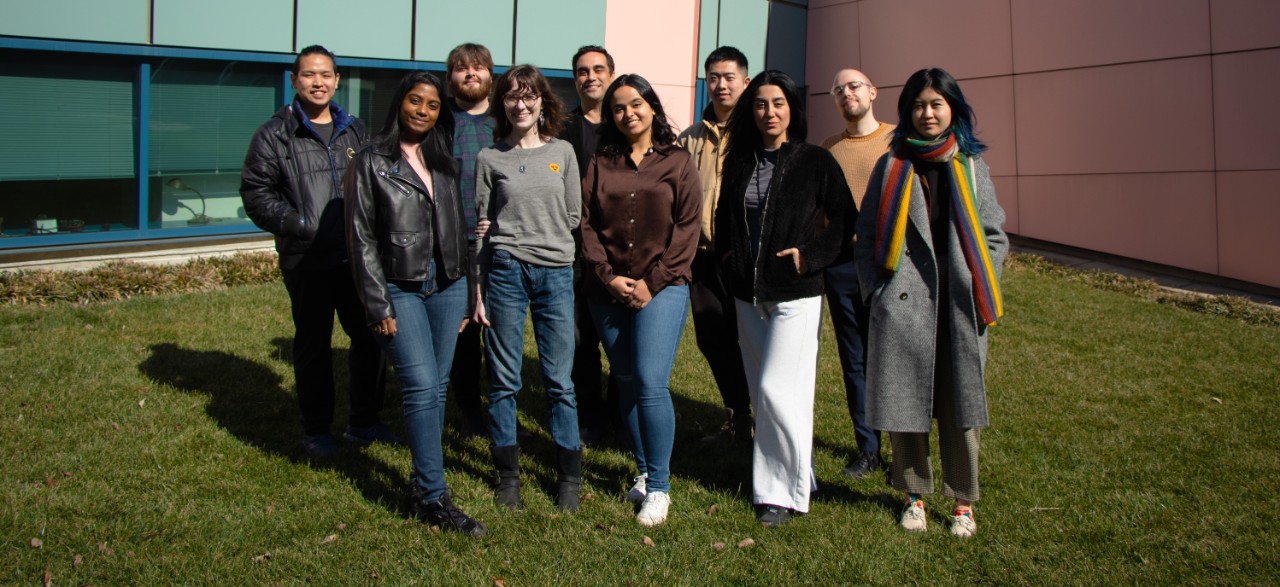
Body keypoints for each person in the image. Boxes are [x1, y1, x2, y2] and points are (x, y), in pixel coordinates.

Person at [854, 67, 1008, 538]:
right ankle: (914, 497)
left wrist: (980, 279)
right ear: (907, 112)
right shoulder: (892, 165)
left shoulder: (971, 166)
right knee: (906, 407)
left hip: (959, 305)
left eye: (936, 104)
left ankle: (963, 503)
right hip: (904, 304)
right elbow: (866, 236)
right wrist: (878, 292)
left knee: (962, 409)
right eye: (919, 105)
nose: (927, 114)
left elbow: (994, 235)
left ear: (952, 109)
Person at [344, 71, 486, 536]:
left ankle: (420, 483)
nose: (422, 111)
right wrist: (377, 303)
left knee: (437, 388)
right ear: (399, 103)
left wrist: (467, 290)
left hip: (447, 285)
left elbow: (461, 229)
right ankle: (433, 496)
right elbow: (360, 238)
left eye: (432, 105)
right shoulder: (371, 161)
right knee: (422, 385)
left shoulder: (444, 161)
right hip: (399, 287)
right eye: (414, 101)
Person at [715, 70, 855, 527]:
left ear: (792, 108)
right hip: (747, 294)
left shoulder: (815, 161)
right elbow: (724, 218)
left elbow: (845, 220)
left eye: (778, 103)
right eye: (760, 104)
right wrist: (730, 260)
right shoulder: (741, 161)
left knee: (777, 388)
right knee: (768, 395)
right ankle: (802, 473)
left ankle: (777, 495)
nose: (769, 112)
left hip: (796, 293)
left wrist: (809, 258)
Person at [240, 45, 391, 459]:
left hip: (356, 257)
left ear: (337, 80)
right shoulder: (274, 134)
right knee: (313, 344)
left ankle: (364, 421)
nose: (318, 82)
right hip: (307, 259)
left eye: (325, 75)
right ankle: (317, 429)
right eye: (308, 75)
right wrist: (300, 224)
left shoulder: (355, 130)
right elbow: (256, 193)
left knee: (371, 338)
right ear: (294, 80)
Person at [580, 74, 701, 527]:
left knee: (650, 381)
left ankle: (661, 488)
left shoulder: (678, 161)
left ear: (652, 106)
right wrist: (608, 277)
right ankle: (645, 470)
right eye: (618, 108)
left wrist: (653, 281)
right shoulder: (600, 162)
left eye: (635, 104)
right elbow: (586, 224)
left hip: (663, 288)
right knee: (627, 380)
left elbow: (687, 228)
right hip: (607, 289)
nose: (627, 113)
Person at [473, 64, 583, 512]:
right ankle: (508, 476)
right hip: (505, 271)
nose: (521, 104)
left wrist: (540, 230)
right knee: (504, 380)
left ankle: (569, 477)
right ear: (501, 103)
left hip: (555, 273)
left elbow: (574, 215)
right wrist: (478, 289)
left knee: (559, 381)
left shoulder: (564, 152)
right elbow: (482, 226)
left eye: (529, 96)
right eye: (512, 96)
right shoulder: (489, 158)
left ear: (542, 102)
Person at [675, 47, 754, 445]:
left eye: (729, 77)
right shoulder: (689, 138)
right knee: (712, 338)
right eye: (714, 78)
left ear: (745, 82)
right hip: (702, 257)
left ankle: (765, 418)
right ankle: (739, 415)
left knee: (752, 339)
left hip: (746, 256)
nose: (721, 85)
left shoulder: (758, 131)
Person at [818, 68, 893, 479]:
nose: (846, 93)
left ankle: (906, 448)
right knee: (855, 359)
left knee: (894, 357)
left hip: (890, 264)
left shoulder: (896, 141)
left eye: (854, 86)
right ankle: (868, 448)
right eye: (838, 89)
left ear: (873, 92)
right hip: (843, 266)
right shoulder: (828, 149)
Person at [559, 45, 621, 447]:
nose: (590, 77)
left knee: (621, 342)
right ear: (575, 79)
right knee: (581, 342)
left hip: (622, 251)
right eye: (582, 71)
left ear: (611, 74)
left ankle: (620, 415)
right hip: (574, 252)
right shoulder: (561, 127)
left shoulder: (626, 122)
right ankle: (590, 417)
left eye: (598, 69)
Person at [445, 43, 497, 438]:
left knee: (501, 331)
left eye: (478, 67)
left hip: (504, 242)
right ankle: (469, 411)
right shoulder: (440, 121)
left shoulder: (505, 121)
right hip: (455, 241)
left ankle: (501, 409)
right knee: (463, 334)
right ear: (451, 78)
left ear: (490, 75)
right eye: (461, 68)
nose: (470, 74)